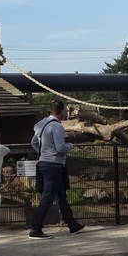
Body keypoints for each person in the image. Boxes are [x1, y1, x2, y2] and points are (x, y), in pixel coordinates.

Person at [29, 98, 85, 239]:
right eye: (66, 110)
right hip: (54, 164)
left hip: (44, 162)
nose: (67, 113)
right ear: (61, 111)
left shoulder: (40, 124)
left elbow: (33, 142)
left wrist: (43, 152)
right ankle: (35, 228)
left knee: (61, 195)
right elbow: (60, 148)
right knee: (48, 196)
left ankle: (72, 224)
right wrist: (71, 146)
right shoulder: (57, 126)